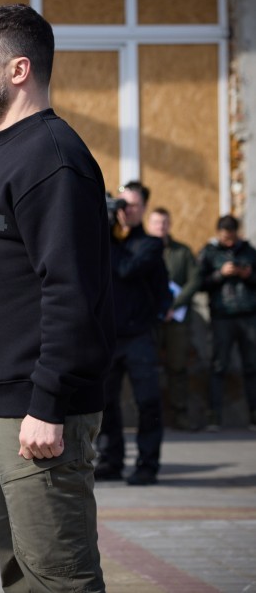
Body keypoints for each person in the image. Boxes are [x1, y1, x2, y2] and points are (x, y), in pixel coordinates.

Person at [0, 3, 113, 591]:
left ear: (18, 70)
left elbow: (73, 290)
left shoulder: (53, 158)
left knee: (59, 578)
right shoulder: (8, 154)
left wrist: (47, 403)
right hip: (0, 407)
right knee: (21, 576)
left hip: (37, 415)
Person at [96, 181, 170, 486]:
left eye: (133, 206)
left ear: (143, 209)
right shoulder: (105, 241)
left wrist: (107, 237)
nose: (126, 212)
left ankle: (147, 465)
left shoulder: (149, 244)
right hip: (109, 337)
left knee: (148, 401)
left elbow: (126, 269)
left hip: (139, 336)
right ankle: (111, 460)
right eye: (121, 205)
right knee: (105, 401)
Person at [197, 214, 256, 430]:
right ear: (219, 234)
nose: (229, 242)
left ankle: (254, 416)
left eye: (232, 237)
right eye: (225, 237)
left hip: (249, 316)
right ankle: (214, 416)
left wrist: (248, 275)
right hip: (222, 317)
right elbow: (200, 282)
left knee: (252, 366)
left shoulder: (250, 252)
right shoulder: (210, 253)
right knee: (218, 367)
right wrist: (220, 274)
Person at [147, 207, 201, 430]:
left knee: (177, 367)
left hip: (176, 319)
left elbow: (194, 280)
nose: (161, 227)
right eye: (157, 223)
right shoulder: (141, 249)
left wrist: (173, 306)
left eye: (164, 223)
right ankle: (150, 419)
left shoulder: (182, 252)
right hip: (149, 319)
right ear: (150, 225)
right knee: (146, 369)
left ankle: (180, 416)